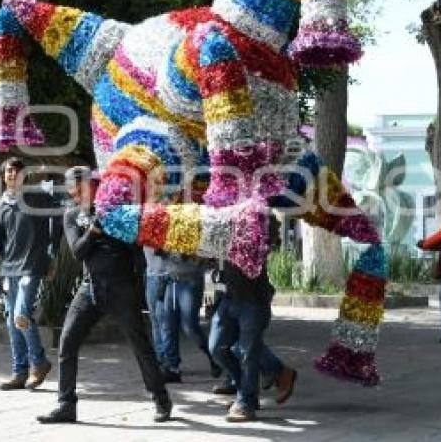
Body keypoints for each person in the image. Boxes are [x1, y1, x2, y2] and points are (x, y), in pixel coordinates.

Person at [36, 166, 172, 424]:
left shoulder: (117, 209)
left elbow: (134, 248)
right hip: (90, 288)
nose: (75, 195)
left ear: (93, 184)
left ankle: (161, 400)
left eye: (79, 189)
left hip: (122, 288)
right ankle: (66, 404)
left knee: (140, 345)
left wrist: (137, 283)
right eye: (71, 191)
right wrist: (94, 231)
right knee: (67, 343)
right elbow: (77, 251)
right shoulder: (73, 214)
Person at [0, 157, 61, 392]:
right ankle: (20, 371)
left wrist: (52, 254)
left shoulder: (39, 199)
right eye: (8, 171)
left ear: (25, 174)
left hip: (33, 265)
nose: (12, 175)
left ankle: (39, 363)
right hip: (9, 269)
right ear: (4, 176)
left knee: (21, 315)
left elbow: (60, 218)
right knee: (11, 321)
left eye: (17, 171)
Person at [208, 252, 296, 422]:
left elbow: (268, 241)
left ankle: (246, 401)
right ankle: (275, 372)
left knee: (248, 353)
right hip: (227, 298)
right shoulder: (220, 229)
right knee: (216, 347)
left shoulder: (258, 227)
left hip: (253, 300)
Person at [145, 246, 220, 383]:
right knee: (168, 323)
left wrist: (187, 254)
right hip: (171, 279)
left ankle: (214, 357)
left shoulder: (193, 226)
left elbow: (206, 254)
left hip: (190, 280)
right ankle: (172, 368)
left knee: (189, 326)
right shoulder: (160, 228)